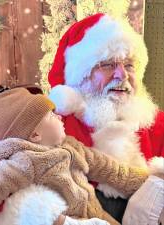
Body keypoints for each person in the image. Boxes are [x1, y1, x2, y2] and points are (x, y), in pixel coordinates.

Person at [47, 13, 164, 224]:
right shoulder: (50, 127)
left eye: (129, 65)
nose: (122, 75)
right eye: (108, 64)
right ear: (81, 76)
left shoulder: (158, 125)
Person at [0, 87, 150, 225]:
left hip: (96, 212)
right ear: (35, 134)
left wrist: (144, 181)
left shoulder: (70, 145)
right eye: (51, 116)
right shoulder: (25, 160)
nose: (60, 117)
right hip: (70, 220)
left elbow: (105, 166)